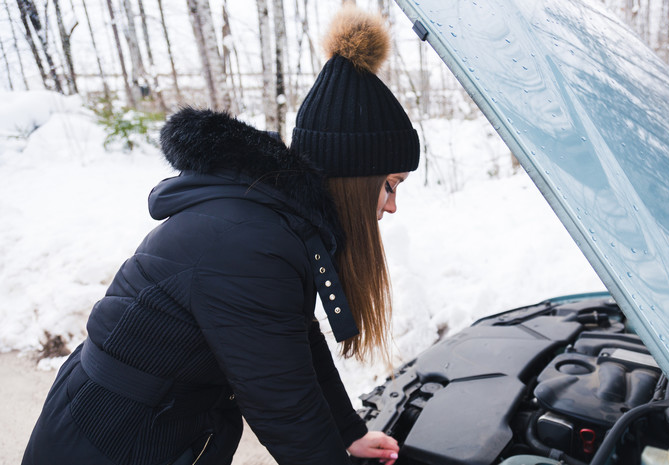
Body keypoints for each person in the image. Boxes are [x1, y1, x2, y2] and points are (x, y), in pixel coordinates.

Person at [22, 5, 418, 465]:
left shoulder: (278, 222)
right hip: (109, 438)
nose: (391, 204)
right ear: (354, 178)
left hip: (150, 422)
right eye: (390, 185)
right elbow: (282, 402)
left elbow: (294, 339)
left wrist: (347, 432)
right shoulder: (249, 241)